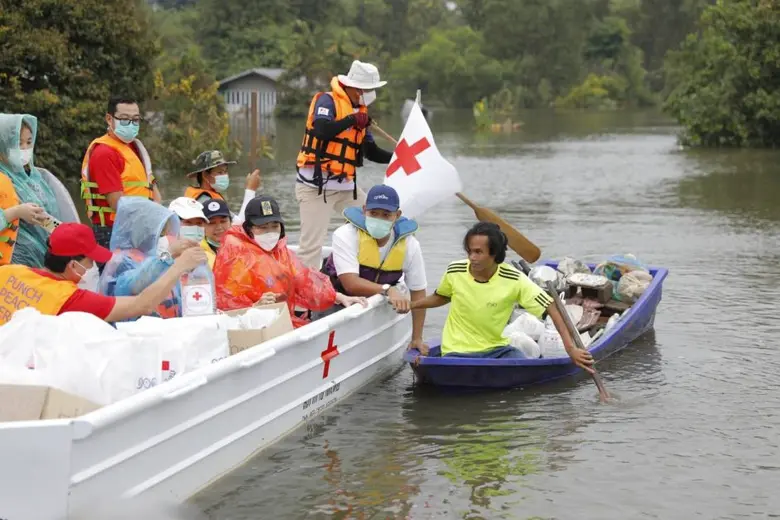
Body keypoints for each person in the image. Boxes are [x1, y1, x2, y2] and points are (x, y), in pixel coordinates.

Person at [399, 222, 595, 371]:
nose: (472, 258)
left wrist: (571, 349)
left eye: (478, 252)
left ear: (495, 254)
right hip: (457, 351)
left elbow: (552, 307)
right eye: (469, 251)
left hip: (496, 350)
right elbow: (441, 297)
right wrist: (413, 304)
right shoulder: (455, 270)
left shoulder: (513, 278)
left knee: (518, 357)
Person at [0, 223, 203, 325]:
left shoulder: (9, 270)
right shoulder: (71, 300)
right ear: (72, 266)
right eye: (90, 261)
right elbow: (142, 304)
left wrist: (167, 255)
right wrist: (179, 267)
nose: (94, 266)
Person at [295, 60, 394, 270]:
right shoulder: (327, 101)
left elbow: (371, 152)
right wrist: (351, 120)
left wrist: (398, 157)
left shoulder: (360, 113)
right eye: (368, 90)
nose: (371, 94)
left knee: (375, 225)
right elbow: (322, 130)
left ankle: (365, 275)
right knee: (311, 247)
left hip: (345, 187)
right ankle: (304, 300)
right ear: (355, 88)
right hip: (316, 187)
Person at [213, 195, 366, 328]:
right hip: (249, 326)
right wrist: (255, 307)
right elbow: (225, 302)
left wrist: (338, 297)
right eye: (262, 227)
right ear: (249, 228)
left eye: (274, 226)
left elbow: (303, 281)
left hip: (280, 321)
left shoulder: (279, 250)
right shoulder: (235, 254)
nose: (270, 232)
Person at [321, 185, 427, 350]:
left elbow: (418, 291)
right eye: (374, 213)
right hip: (335, 298)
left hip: (370, 300)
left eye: (386, 215)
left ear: (397, 216)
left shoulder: (410, 245)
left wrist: (417, 338)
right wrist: (388, 290)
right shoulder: (345, 234)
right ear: (364, 211)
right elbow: (350, 283)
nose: (379, 219)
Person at [100, 197, 203, 320]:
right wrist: (170, 255)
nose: (160, 237)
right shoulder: (121, 261)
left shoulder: (149, 256)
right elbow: (137, 283)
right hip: (138, 334)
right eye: (159, 232)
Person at [80, 96, 162, 249]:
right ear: (109, 119)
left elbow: (151, 188)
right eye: (124, 119)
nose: (131, 124)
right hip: (113, 232)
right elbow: (118, 203)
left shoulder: (134, 147)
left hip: (138, 227)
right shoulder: (104, 153)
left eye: (135, 119)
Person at [0, 114, 69, 268]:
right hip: (12, 267)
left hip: (45, 260)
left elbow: (50, 216)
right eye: (18, 144)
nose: (25, 149)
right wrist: (16, 212)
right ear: (3, 145)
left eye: (28, 143)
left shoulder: (34, 178)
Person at [184, 150, 260, 223]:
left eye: (225, 171)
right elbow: (240, 224)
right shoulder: (205, 201)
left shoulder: (205, 196)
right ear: (205, 175)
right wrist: (250, 189)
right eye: (220, 172)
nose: (225, 175)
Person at [201, 198, 231, 268]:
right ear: (201, 226)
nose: (219, 227)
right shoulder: (197, 255)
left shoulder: (242, 247)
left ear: (230, 222)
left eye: (223, 221)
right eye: (212, 223)